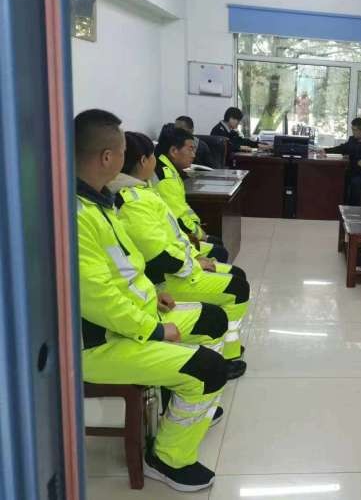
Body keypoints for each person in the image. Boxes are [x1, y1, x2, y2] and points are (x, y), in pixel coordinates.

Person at [75, 109, 227, 492]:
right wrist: (156, 331)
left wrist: (155, 297)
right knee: (208, 369)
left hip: (135, 320)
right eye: (122, 151)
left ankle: (180, 405)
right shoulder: (77, 216)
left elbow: (126, 269)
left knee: (212, 320)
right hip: (100, 344)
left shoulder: (99, 203)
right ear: (107, 157)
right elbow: (98, 299)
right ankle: (168, 458)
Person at [109, 131, 251, 378]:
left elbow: (169, 234)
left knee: (231, 269)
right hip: (169, 278)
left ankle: (224, 351)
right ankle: (224, 358)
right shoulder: (133, 200)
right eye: (152, 156)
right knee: (236, 288)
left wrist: (194, 253)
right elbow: (160, 255)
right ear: (143, 161)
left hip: (178, 266)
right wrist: (195, 262)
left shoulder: (142, 190)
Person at [153, 126, 229, 263]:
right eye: (190, 149)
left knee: (216, 242)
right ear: (174, 151)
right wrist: (201, 235)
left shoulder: (168, 169)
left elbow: (183, 208)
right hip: (173, 238)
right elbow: (178, 219)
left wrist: (197, 227)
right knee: (218, 249)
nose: (193, 155)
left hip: (177, 232)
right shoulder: (166, 178)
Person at [325, 117, 361, 205]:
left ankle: (352, 208)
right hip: (356, 171)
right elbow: (342, 148)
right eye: (352, 129)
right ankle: (342, 203)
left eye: (354, 130)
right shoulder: (353, 140)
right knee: (341, 176)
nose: (353, 132)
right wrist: (326, 150)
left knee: (355, 182)